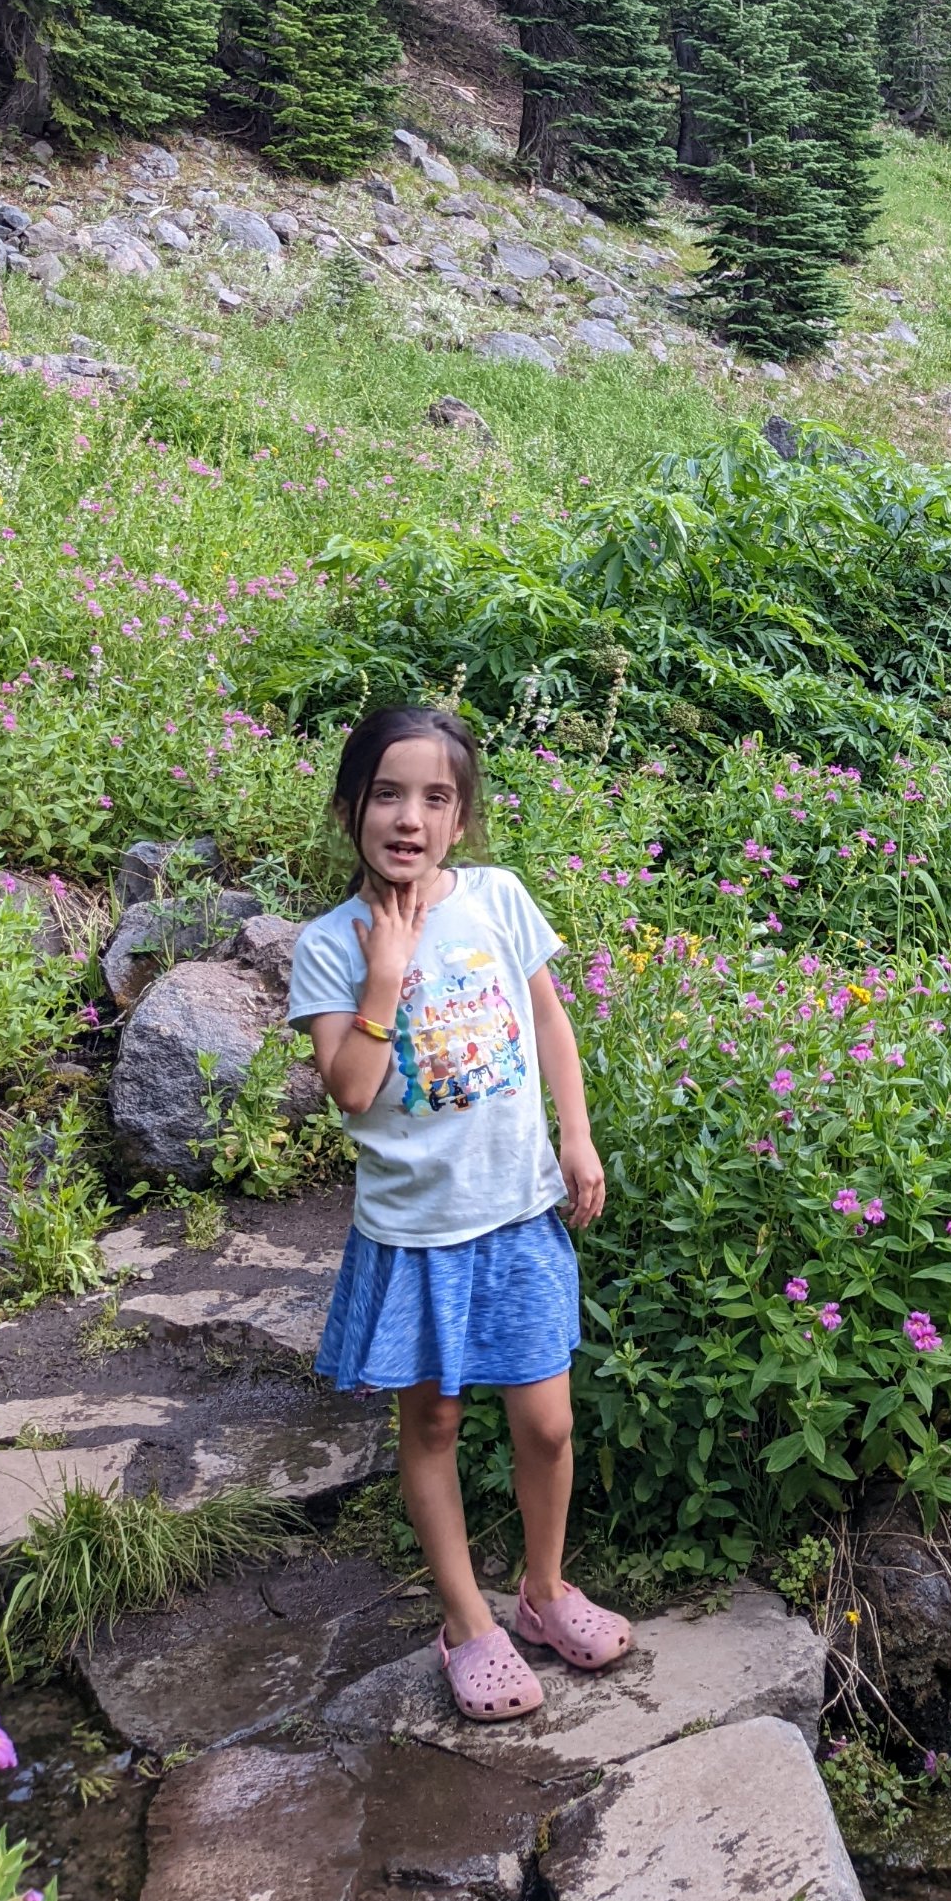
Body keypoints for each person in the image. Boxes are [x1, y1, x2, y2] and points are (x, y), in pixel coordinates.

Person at [287, 703, 631, 1723]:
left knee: (548, 1424)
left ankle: (545, 1592)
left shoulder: (496, 898)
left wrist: (576, 1136)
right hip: (415, 1232)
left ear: (461, 818)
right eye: (387, 794)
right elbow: (353, 1090)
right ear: (350, 808)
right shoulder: (329, 945)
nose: (410, 817)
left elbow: (549, 1019)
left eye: (435, 798)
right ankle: (467, 1622)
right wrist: (386, 974)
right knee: (433, 1422)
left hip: (517, 1211)